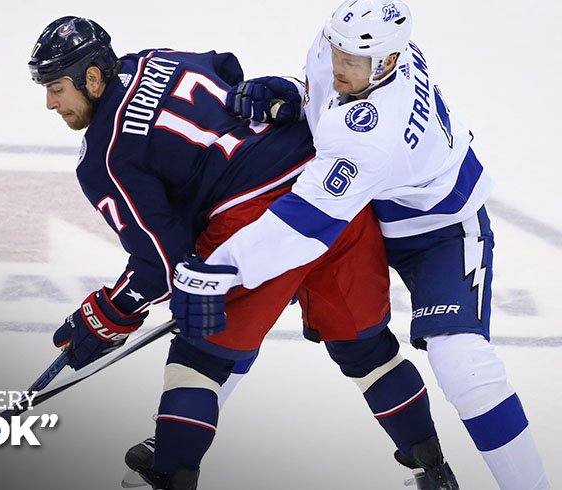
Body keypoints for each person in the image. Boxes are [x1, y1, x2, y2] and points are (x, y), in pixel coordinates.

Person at [29, 16, 457, 490]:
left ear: (92, 77)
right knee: (368, 350)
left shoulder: (105, 158)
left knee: (198, 360)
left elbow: (162, 265)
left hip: (254, 220)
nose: (50, 103)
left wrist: (108, 314)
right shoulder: (159, 60)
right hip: (329, 192)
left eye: (56, 87)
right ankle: (434, 471)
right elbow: (231, 73)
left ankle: (168, 474)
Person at [175, 1, 551, 489]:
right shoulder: (351, 49)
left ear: (389, 62)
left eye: (354, 61)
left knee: (462, 363)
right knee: (253, 313)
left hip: (439, 228)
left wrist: (225, 268)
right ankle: (171, 452)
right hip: (368, 211)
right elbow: (320, 96)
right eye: (338, 51)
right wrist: (290, 93)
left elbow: (306, 221)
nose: (340, 66)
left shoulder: (373, 133)